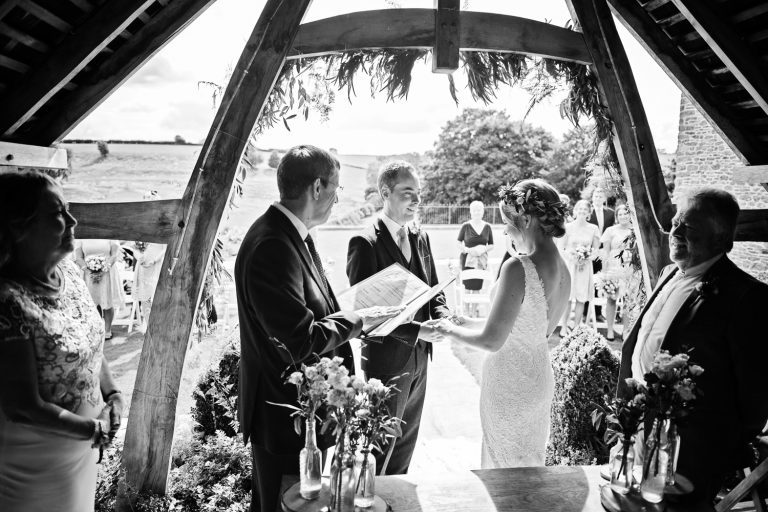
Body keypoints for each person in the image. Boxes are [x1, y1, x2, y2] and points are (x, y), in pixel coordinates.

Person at [237, 146, 388, 512]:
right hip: (285, 419)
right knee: (281, 505)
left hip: (303, 414)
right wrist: (358, 318)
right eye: (336, 189)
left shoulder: (290, 235)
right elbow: (301, 339)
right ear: (317, 187)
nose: (338, 199)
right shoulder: (273, 244)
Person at [617, 188, 768, 503]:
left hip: (690, 453)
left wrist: (712, 454)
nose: (675, 232)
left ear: (721, 240)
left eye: (690, 228)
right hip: (638, 430)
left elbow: (754, 397)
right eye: (675, 222)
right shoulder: (668, 273)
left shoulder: (746, 297)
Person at [0, 171, 122, 512]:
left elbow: (89, 340)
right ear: (18, 226)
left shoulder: (69, 271)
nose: (72, 219)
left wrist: (113, 395)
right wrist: (93, 430)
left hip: (83, 449)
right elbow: (22, 405)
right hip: (35, 466)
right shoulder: (8, 301)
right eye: (57, 213)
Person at [430, 179, 570, 468]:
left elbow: (492, 341)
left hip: (509, 386)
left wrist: (447, 330)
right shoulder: (563, 267)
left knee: (502, 472)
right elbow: (522, 324)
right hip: (538, 379)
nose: (505, 230)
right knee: (528, 468)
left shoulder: (518, 267)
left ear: (528, 220)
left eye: (509, 222)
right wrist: (465, 320)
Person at [346, 161, 448, 475]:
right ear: (385, 193)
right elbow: (368, 316)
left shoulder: (421, 236)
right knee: (380, 444)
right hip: (385, 361)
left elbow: (434, 287)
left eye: (418, 193)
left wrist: (443, 316)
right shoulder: (364, 243)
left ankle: (397, 500)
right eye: (408, 193)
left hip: (420, 358)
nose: (416, 201)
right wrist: (419, 330)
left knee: (406, 444)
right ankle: (370, 501)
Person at [558, 199, 600, 336]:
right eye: (579, 209)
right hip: (570, 265)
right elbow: (561, 248)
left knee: (581, 297)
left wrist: (586, 258)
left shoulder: (593, 228)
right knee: (568, 297)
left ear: (589, 213)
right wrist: (572, 257)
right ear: (575, 211)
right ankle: (564, 326)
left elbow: (596, 250)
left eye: (585, 210)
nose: (582, 211)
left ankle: (576, 327)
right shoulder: (568, 227)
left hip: (584, 267)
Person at [75, 239, 125, 340]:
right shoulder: (82, 237)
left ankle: (107, 330)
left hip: (107, 273)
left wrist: (105, 268)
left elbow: (114, 255)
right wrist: (88, 270)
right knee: (92, 304)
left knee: (107, 302)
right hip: (89, 274)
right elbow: (79, 258)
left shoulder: (110, 235)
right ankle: (96, 329)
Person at [598, 204, 633, 340]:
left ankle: (625, 330)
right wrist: (604, 271)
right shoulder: (610, 230)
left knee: (627, 300)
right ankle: (610, 330)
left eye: (625, 213)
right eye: (620, 214)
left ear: (630, 215)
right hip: (613, 267)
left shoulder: (634, 231)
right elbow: (605, 252)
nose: (623, 216)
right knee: (611, 299)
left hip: (629, 268)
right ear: (617, 217)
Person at [457, 200, 494, 296]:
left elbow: (491, 245)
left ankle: (474, 311)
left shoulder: (487, 227)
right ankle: (466, 311)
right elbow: (458, 243)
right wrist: (468, 250)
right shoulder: (465, 226)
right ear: (470, 212)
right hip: (467, 261)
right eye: (474, 210)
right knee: (467, 287)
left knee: (477, 287)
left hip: (481, 261)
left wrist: (483, 249)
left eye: (479, 210)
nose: (477, 212)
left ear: (483, 211)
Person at [133, 241, 165, 326]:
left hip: (156, 267)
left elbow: (165, 248)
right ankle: (149, 326)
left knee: (157, 297)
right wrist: (139, 258)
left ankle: (158, 325)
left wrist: (154, 260)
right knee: (145, 298)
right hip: (143, 268)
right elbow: (135, 248)